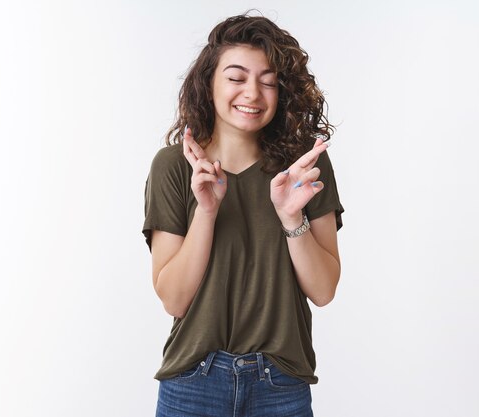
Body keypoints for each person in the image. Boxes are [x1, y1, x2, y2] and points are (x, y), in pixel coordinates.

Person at [142, 13, 344, 417]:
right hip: (193, 385)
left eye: (268, 80)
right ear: (209, 84)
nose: (252, 93)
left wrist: (292, 219)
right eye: (236, 78)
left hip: (281, 385)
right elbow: (175, 299)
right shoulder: (175, 166)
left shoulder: (302, 169)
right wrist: (207, 210)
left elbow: (323, 291)